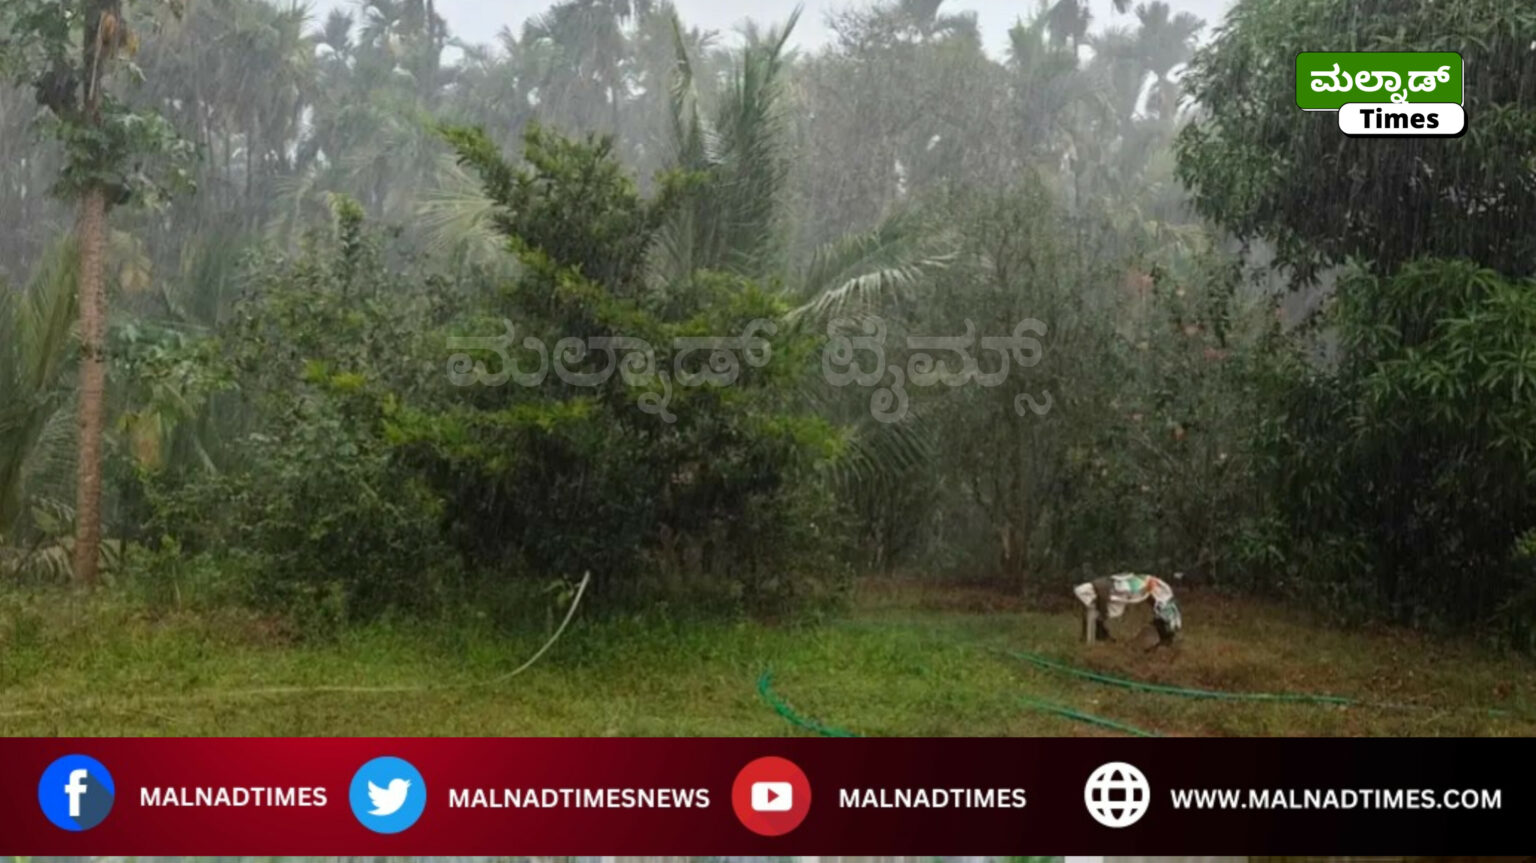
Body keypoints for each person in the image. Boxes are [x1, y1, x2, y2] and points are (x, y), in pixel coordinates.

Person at [1072, 572, 1182, 646]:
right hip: (1111, 589)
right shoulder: (1099, 591)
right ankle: (1100, 636)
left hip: (1150, 594)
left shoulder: (1158, 592)